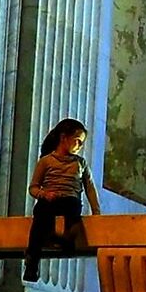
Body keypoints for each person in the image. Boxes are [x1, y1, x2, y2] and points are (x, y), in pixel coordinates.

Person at [23, 118, 103, 281]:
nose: (80, 146)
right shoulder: (46, 161)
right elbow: (33, 187)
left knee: (72, 217)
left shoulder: (81, 163)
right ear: (63, 138)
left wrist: (96, 211)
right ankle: (32, 262)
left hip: (70, 201)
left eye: (82, 143)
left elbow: (90, 188)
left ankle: (65, 240)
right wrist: (44, 194)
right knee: (40, 219)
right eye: (77, 141)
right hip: (50, 200)